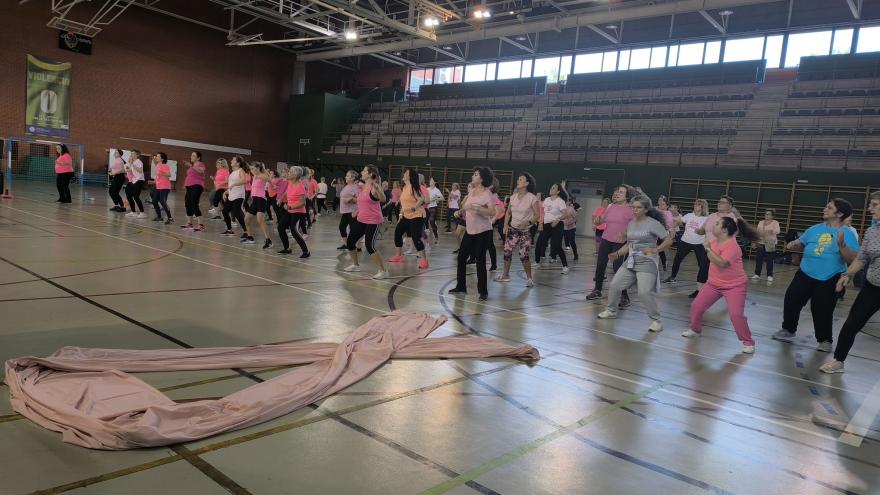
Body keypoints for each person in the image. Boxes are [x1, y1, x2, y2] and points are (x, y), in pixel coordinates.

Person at [772, 198, 860, 352]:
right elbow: (802, 240)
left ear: (839, 214)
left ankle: (825, 340)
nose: (825, 209)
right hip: (805, 273)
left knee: (821, 308)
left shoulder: (847, 233)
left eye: (829, 207)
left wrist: (842, 245)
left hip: (829, 277)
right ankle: (788, 330)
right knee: (792, 299)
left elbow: (852, 259)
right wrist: (793, 244)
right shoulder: (815, 228)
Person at [682, 216, 762, 354]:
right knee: (696, 306)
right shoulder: (714, 242)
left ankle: (748, 342)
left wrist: (707, 249)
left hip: (735, 286)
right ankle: (695, 329)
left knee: (736, 315)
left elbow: (722, 263)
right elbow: (711, 259)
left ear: (724, 230)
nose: (714, 225)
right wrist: (709, 249)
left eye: (717, 224)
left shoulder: (733, 246)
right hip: (713, 284)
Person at [820, 191, 880, 373]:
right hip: (873, 286)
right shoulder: (872, 231)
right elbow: (862, 258)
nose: (869, 209)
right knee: (852, 323)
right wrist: (847, 275)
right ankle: (838, 361)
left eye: (874, 205)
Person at [598, 195, 673, 332]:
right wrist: (617, 254)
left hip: (647, 261)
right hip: (631, 260)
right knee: (615, 285)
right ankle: (611, 310)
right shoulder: (631, 223)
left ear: (645, 209)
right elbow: (629, 244)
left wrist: (655, 249)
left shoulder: (653, 223)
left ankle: (656, 320)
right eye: (633, 207)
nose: (635, 210)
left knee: (644, 292)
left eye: (638, 207)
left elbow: (668, 240)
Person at [449, 167, 498, 301]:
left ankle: (483, 292)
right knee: (461, 257)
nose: (473, 176)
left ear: (481, 178)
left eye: (475, 174)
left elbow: (492, 212)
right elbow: (466, 207)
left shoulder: (487, 193)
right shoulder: (472, 192)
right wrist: (460, 212)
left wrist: (478, 209)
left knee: (480, 261)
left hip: (483, 231)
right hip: (470, 231)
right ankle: (461, 286)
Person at [586, 185, 636, 305]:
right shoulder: (611, 206)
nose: (617, 193)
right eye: (617, 191)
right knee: (600, 265)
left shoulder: (631, 210)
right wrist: (598, 220)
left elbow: (636, 226)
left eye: (621, 192)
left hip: (621, 243)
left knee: (618, 269)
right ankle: (597, 290)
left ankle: (624, 296)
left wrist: (626, 234)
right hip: (606, 239)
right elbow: (602, 220)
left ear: (627, 196)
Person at [344, 165, 388, 279]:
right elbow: (363, 201)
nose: (362, 172)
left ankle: (383, 271)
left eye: (364, 170)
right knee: (350, 242)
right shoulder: (363, 186)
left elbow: (383, 199)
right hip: (361, 219)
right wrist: (357, 210)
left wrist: (378, 189)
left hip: (373, 221)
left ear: (370, 174)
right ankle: (355, 265)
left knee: (370, 246)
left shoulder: (374, 187)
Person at [496, 173, 539, 286]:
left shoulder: (532, 198)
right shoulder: (513, 197)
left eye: (521, 179)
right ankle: (505, 275)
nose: (518, 181)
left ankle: (529, 278)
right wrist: (505, 225)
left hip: (526, 230)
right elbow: (508, 212)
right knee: (507, 251)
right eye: (518, 179)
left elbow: (537, 215)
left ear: (527, 183)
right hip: (513, 229)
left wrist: (528, 222)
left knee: (523, 254)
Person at [691, 196, 738, 298]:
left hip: (722, 249)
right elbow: (703, 229)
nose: (719, 203)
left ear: (730, 206)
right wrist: (698, 231)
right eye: (719, 201)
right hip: (708, 247)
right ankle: (699, 291)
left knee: (722, 272)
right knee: (703, 268)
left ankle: (730, 291)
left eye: (723, 202)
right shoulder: (711, 216)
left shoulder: (731, 218)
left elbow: (731, 235)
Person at [388, 169, 429, 270]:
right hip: (406, 216)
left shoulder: (413, 187)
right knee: (398, 232)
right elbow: (404, 203)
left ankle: (424, 261)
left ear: (410, 176)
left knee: (416, 237)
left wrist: (414, 208)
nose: (404, 175)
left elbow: (421, 199)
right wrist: (401, 214)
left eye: (406, 173)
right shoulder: (405, 187)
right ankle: (398, 256)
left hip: (417, 215)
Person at [664, 199, 709, 287]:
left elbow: (707, 231)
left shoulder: (706, 218)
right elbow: (679, 222)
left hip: (699, 244)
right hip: (685, 242)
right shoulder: (689, 215)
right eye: (695, 204)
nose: (695, 206)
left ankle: (704, 281)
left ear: (702, 207)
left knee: (702, 264)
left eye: (698, 205)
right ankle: (672, 277)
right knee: (677, 260)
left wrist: (702, 233)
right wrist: (674, 226)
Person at [535, 184, 570, 274]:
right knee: (539, 243)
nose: (551, 189)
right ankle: (537, 262)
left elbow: (566, 214)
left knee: (557, 246)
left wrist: (557, 220)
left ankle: (565, 266)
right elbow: (543, 213)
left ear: (558, 191)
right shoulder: (546, 200)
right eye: (551, 187)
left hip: (557, 226)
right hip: (546, 225)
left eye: (553, 188)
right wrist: (540, 223)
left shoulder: (560, 201)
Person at [276, 166, 309, 258]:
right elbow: (287, 191)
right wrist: (281, 198)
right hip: (290, 211)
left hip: (298, 212)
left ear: (295, 175)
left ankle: (306, 251)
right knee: (280, 227)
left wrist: (290, 206)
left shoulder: (300, 186)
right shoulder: (290, 182)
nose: (288, 173)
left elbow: (302, 203)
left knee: (294, 231)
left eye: (290, 172)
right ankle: (287, 248)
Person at [242, 161, 272, 249]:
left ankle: (268, 240)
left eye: (253, 168)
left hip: (261, 200)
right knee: (246, 219)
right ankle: (250, 237)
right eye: (251, 168)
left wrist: (272, 185)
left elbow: (269, 179)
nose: (251, 170)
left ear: (258, 168)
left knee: (260, 220)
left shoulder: (261, 176)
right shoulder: (254, 176)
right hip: (255, 200)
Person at [220, 155, 248, 238]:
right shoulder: (232, 172)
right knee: (225, 211)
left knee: (236, 212)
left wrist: (235, 184)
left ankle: (246, 231)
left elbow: (244, 180)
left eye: (233, 160)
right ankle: (229, 230)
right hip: (232, 195)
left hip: (239, 195)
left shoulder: (241, 170)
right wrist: (226, 192)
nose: (231, 160)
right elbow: (230, 185)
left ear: (238, 163)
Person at [753, 209, 781, 285]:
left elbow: (778, 231)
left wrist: (771, 231)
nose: (767, 216)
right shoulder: (761, 222)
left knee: (769, 260)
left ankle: (769, 275)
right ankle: (757, 274)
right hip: (761, 242)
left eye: (768, 214)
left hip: (770, 243)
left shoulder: (775, 222)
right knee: (759, 259)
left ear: (772, 216)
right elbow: (757, 231)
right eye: (766, 214)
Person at [180, 151, 206, 231]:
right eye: (191, 155)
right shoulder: (192, 166)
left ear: (198, 158)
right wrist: (185, 184)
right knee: (187, 203)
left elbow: (201, 171)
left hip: (197, 186)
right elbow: (190, 176)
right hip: (189, 187)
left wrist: (191, 165)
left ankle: (201, 224)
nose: (191, 157)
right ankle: (189, 223)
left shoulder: (200, 164)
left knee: (194, 203)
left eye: (194, 156)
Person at [336, 170, 360, 250]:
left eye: (348, 176)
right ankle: (347, 244)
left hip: (351, 211)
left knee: (353, 230)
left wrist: (351, 199)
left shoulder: (355, 187)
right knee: (342, 227)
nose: (345, 177)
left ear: (353, 178)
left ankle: (357, 246)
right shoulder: (347, 186)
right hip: (345, 212)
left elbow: (360, 200)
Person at [150, 152, 173, 224]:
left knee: (162, 201)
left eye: (158, 156)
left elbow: (169, 174)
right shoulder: (158, 165)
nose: (156, 157)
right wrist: (154, 182)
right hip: (158, 186)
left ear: (162, 159)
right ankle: (159, 217)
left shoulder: (165, 165)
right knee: (154, 201)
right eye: (156, 156)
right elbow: (158, 177)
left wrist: (161, 173)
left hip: (165, 186)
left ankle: (170, 218)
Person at [123, 150, 146, 218]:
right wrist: (128, 166)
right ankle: (133, 212)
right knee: (128, 194)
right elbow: (129, 170)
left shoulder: (139, 161)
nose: (131, 155)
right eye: (131, 154)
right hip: (134, 180)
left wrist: (132, 164)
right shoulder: (133, 162)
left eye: (133, 154)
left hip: (139, 180)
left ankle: (142, 213)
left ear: (137, 155)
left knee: (136, 196)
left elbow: (140, 170)